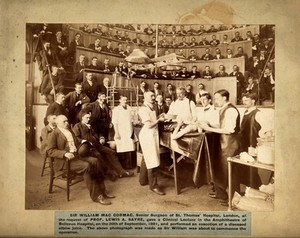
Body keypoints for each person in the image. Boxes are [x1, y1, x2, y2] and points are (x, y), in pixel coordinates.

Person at [47, 115, 113, 205]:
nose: (67, 123)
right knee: (86, 166)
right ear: (57, 123)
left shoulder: (69, 131)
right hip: (65, 161)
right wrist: (64, 153)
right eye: (64, 122)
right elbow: (50, 151)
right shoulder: (54, 134)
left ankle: (102, 191)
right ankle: (97, 196)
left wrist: (82, 141)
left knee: (95, 161)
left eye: (67, 121)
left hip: (76, 156)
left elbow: (76, 142)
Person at [199, 89, 240, 206]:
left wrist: (209, 128)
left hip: (231, 144)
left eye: (217, 98)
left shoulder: (231, 110)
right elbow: (221, 125)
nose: (215, 101)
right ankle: (221, 194)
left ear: (225, 98)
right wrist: (207, 123)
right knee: (221, 170)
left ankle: (234, 200)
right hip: (224, 143)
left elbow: (229, 129)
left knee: (231, 172)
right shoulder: (223, 109)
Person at [73, 110, 134, 180]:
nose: (89, 119)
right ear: (82, 118)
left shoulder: (92, 125)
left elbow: (99, 133)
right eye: (87, 118)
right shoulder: (78, 126)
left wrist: (101, 138)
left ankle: (121, 172)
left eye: (89, 117)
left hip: (97, 145)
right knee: (99, 155)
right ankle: (109, 174)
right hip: (88, 148)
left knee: (111, 152)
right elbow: (76, 138)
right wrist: (85, 141)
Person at [237, 93, 272, 190]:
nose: (244, 102)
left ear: (253, 101)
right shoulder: (245, 112)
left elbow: (265, 130)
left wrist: (256, 144)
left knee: (252, 168)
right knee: (244, 167)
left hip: (252, 144)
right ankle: (249, 190)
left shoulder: (258, 113)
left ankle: (255, 188)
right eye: (243, 101)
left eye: (246, 100)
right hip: (243, 143)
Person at [138, 91, 166, 195]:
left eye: (154, 95)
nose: (154, 97)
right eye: (151, 96)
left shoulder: (150, 107)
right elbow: (149, 125)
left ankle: (143, 180)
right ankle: (153, 186)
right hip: (147, 136)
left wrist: (159, 117)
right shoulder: (143, 109)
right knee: (152, 160)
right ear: (145, 97)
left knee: (146, 158)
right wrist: (159, 120)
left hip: (152, 135)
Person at [112, 96, 136, 169]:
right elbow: (114, 122)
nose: (125, 101)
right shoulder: (116, 109)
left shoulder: (129, 108)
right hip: (121, 131)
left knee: (129, 147)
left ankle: (130, 165)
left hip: (128, 131)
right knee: (122, 148)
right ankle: (123, 167)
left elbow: (132, 120)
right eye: (123, 100)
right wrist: (117, 132)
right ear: (119, 100)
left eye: (126, 100)